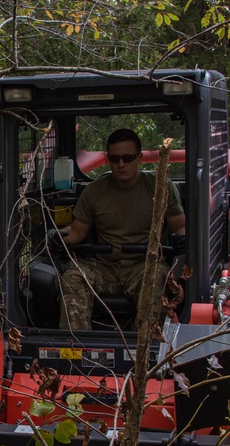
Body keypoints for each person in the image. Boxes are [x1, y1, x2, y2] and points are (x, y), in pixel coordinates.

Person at [55, 128, 186, 329]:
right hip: (106, 266)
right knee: (73, 277)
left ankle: (146, 349)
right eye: (115, 159)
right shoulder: (94, 192)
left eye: (127, 158)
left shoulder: (160, 187)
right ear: (108, 159)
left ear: (139, 158)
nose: (121, 164)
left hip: (145, 265)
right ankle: (77, 350)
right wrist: (57, 237)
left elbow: (180, 226)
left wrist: (182, 241)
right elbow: (78, 231)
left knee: (156, 282)